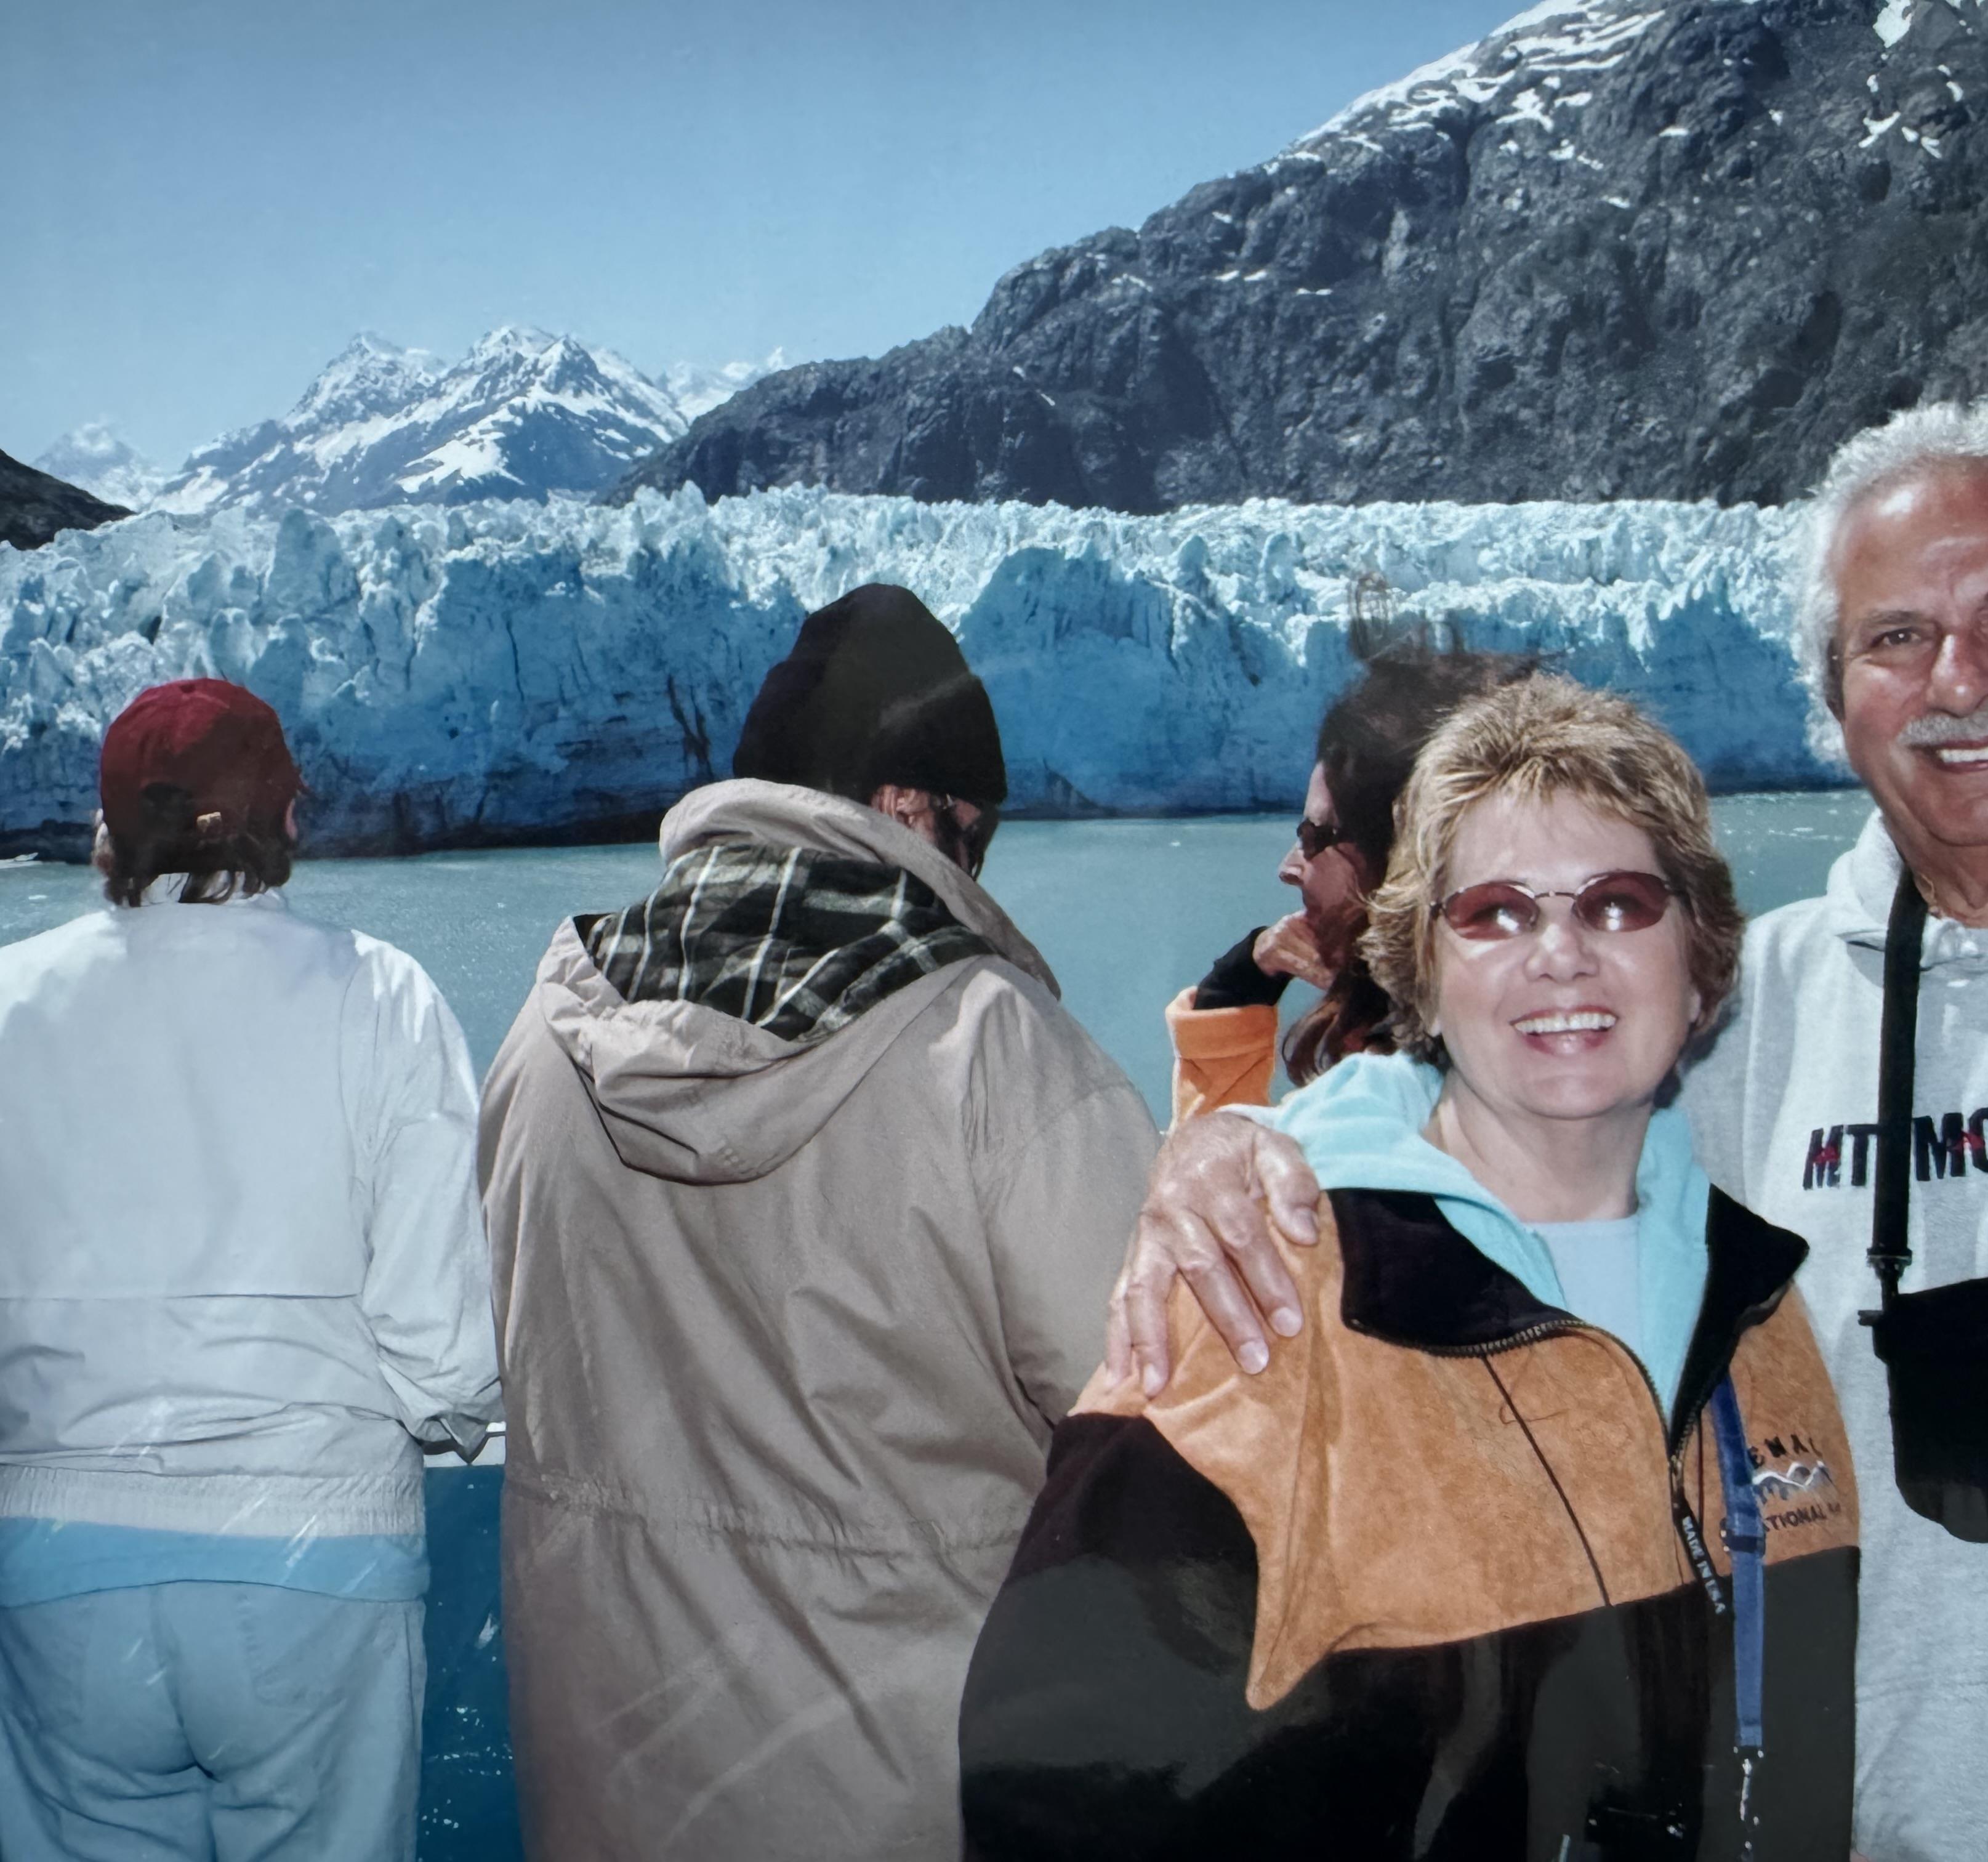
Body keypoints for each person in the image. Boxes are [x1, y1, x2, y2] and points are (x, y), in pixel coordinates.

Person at [1108, 403, 1988, 1859]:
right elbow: (1494, 1113)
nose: (1960, 679)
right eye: (1895, 638)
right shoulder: (1749, 1009)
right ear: (1833, 701)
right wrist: (1256, 1148)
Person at [961, 673, 1859, 1861]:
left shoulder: (1760, 1311)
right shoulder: (1264, 1307)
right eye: (1494, 911)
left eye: (1618, 902)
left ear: (1699, 963)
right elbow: (1053, 1801)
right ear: (1419, 974)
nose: (1561, 954)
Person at [481, 582, 1161, 1861]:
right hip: (902, 1796)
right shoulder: (992, 1049)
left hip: (606, 1789)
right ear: (906, 809)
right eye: (975, 835)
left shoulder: (543, 1034)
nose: (976, 871)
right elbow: (1167, 1432)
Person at [0, 678, 500, 1862]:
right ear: (287, 814)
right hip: (315, 1561)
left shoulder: (10, 1001)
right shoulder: (381, 995)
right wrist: (454, 1413)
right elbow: (441, 1350)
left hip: (58, 1571)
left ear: (111, 828)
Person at [1167, 642, 1532, 1124]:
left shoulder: (1388, 1111)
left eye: (1316, 837)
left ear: (1406, 860)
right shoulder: (1507, 1066)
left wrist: (1236, 990)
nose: (1288, 867)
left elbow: (1221, 1167)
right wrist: (1243, 980)